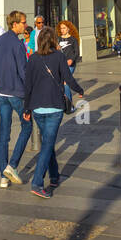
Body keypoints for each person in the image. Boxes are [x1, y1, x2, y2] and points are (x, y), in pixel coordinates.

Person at [21, 29, 85, 198]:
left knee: (48, 143)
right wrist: (79, 90)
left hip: (37, 108)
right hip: (54, 107)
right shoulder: (59, 57)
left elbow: (28, 85)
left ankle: (54, 176)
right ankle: (37, 183)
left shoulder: (33, 59)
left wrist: (26, 108)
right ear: (53, 41)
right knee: (48, 145)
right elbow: (68, 79)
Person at [0, 11, 33, 188]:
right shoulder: (18, 44)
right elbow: (23, 70)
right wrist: (30, 91)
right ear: (14, 24)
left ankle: (3, 176)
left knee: (4, 134)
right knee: (27, 126)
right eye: (23, 23)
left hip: (2, 93)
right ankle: (12, 165)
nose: (25, 26)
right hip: (16, 92)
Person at [57, 19, 81, 105]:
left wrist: (71, 59)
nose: (62, 30)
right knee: (61, 83)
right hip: (60, 64)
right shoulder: (58, 39)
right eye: (61, 28)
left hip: (70, 65)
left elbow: (77, 53)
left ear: (68, 29)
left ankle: (69, 103)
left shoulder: (73, 40)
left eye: (64, 28)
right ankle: (64, 100)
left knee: (65, 82)